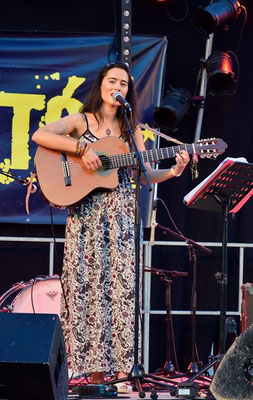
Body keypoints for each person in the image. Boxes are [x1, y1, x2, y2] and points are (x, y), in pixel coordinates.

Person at [32, 62, 190, 392]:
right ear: (101, 85)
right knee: (87, 291)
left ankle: (121, 371)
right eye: (111, 80)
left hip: (120, 220)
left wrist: (174, 171)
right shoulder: (82, 120)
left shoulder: (132, 129)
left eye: (123, 82)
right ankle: (93, 374)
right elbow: (40, 135)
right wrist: (82, 148)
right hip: (87, 218)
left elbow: (146, 173)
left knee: (121, 292)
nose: (117, 85)